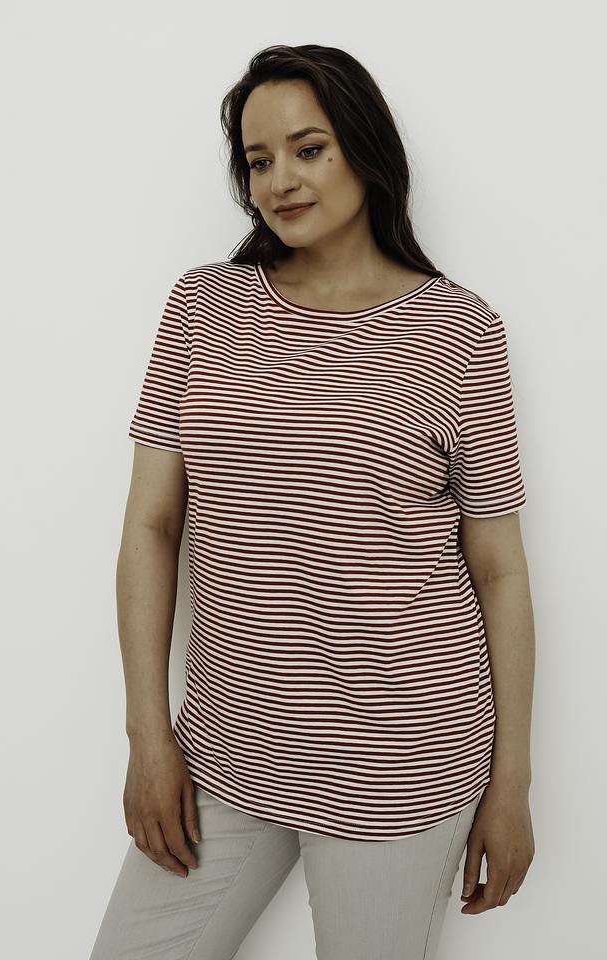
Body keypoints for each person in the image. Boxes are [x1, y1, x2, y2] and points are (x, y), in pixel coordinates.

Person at [90, 43, 535, 960]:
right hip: (227, 748)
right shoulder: (205, 307)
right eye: (258, 161)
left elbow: (497, 568)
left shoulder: (461, 331)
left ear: (365, 152)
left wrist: (512, 783)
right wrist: (147, 738)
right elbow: (152, 525)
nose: (281, 181)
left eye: (308, 149)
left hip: (402, 760)